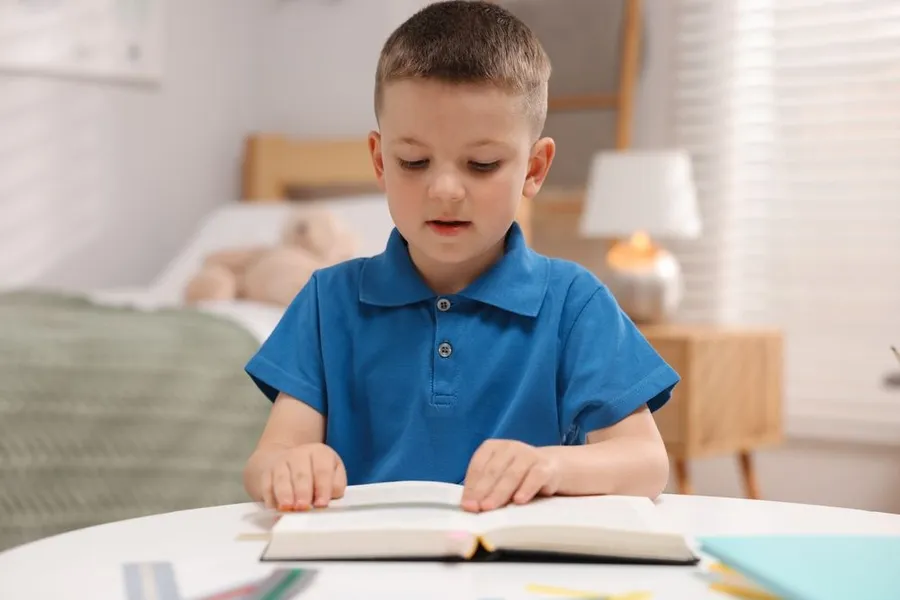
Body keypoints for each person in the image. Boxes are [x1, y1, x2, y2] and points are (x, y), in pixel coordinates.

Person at [242, 0, 679, 515]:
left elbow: (647, 463)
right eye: (414, 162)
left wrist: (550, 466)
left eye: (481, 164)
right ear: (381, 161)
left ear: (534, 168)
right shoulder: (327, 301)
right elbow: (268, 459)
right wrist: (290, 468)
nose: (445, 189)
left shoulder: (573, 304)